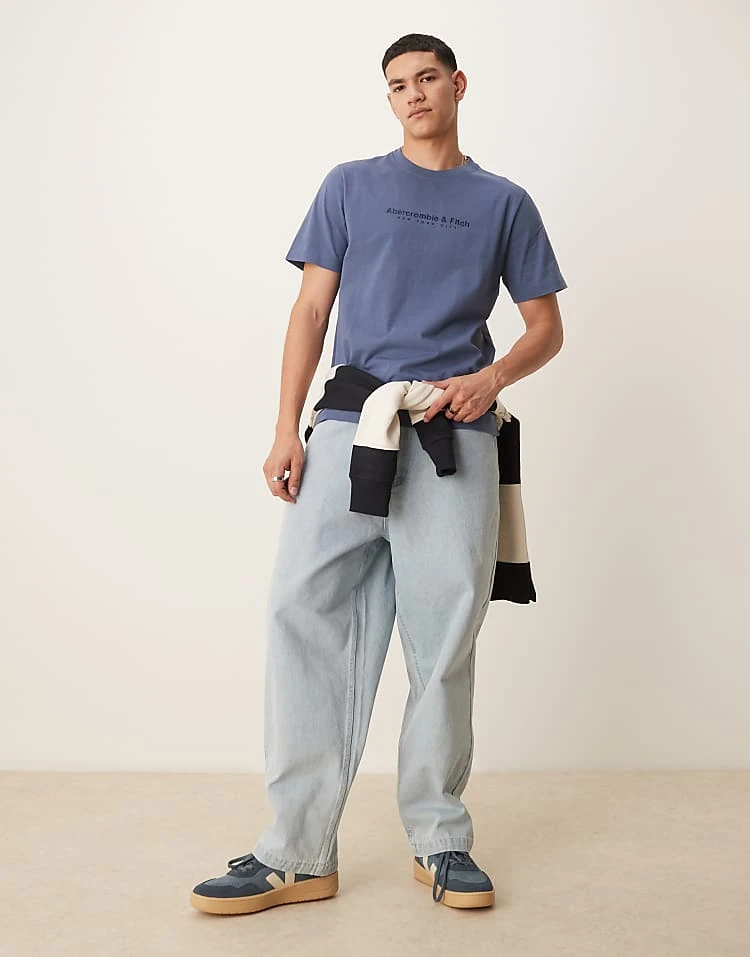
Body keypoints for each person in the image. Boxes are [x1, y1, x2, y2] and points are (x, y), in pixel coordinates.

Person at [191, 32, 567, 916]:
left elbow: (546, 327)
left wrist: (491, 380)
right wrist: (285, 429)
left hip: (452, 432)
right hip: (348, 425)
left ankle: (440, 840)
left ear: (458, 84)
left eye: (427, 78)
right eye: (397, 84)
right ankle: (294, 851)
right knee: (303, 615)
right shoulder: (349, 185)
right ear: (388, 98)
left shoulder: (504, 201)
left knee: (444, 637)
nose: (413, 94)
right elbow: (310, 309)